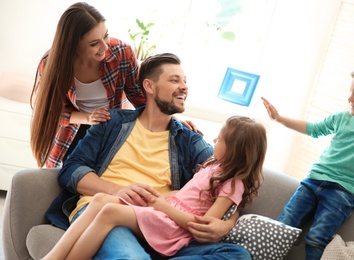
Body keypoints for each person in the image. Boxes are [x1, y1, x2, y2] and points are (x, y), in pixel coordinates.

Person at [46, 52, 251, 259]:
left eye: (185, 81)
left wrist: (227, 224)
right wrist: (118, 190)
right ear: (150, 86)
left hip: (160, 220)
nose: (184, 86)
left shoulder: (189, 140)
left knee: (238, 255)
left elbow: (228, 177)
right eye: (174, 80)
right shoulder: (112, 122)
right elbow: (70, 169)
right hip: (105, 210)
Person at [42, 115, 267, 260]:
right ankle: (53, 257)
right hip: (164, 208)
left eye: (221, 139)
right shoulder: (215, 164)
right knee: (100, 200)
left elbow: (200, 225)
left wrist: (159, 204)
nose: (214, 141)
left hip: (173, 226)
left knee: (109, 212)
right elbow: (189, 195)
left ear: (236, 149)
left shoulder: (232, 183)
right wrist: (158, 197)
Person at [30, 2, 197, 169]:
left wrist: (171, 118)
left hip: (113, 127)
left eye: (105, 36)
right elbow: (53, 112)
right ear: (73, 45)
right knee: (69, 176)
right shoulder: (52, 66)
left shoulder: (122, 53)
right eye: (94, 43)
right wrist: (88, 117)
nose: (105, 46)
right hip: (74, 129)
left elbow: (140, 97)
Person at [261, 61, 354, 260]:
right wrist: (279, 118)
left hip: (342, 192)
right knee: (284, 225)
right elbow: (313, 129)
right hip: (312, 181)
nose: (349, 98)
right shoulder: (342, 118)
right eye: (351, 92)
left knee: (316, 238)